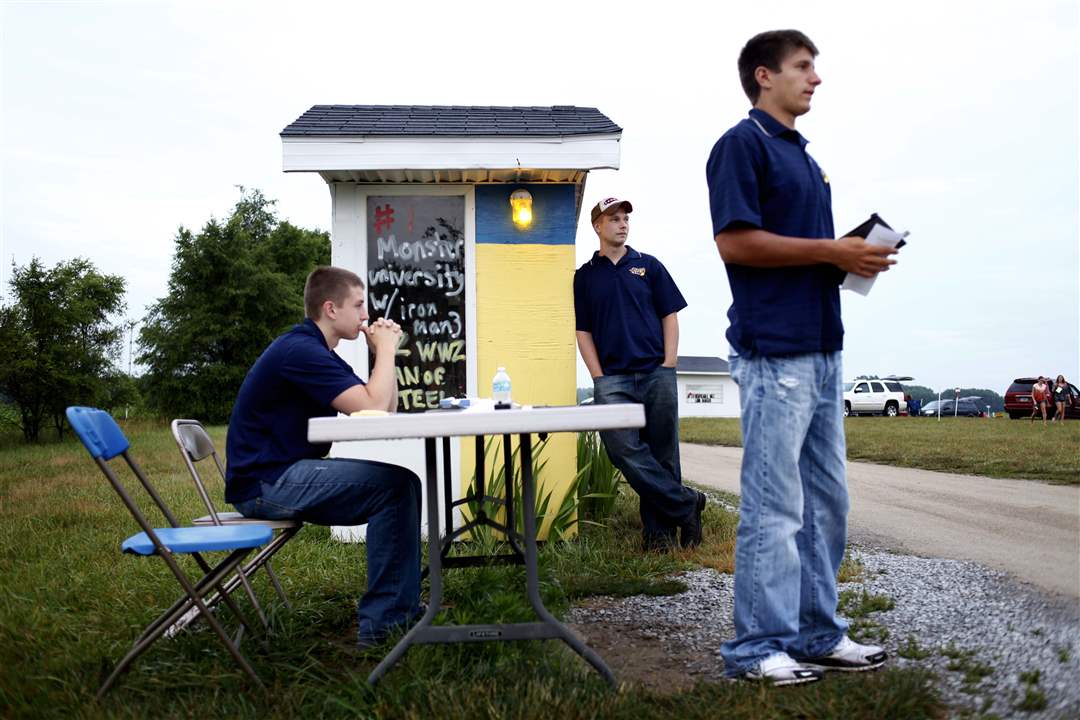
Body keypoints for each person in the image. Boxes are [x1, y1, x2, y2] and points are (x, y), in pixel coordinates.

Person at [705, 30, 896, 685]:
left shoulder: (805, 159)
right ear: (765, 75)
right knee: (775, 507)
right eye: (803, 67)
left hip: (822, 350)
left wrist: (851, 253)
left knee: (827, 505)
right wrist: (831, 252)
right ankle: (756, 648)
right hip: (774, 355)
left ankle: (817, 634)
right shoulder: (741, 146)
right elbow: (736, 243)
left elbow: (803, 249)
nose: (816, 78)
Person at [225, 265, 422, 647]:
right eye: (359, 305)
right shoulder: (300, 351)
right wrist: (385, 349)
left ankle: (399, 613)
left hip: (278, 474)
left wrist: (385, 357)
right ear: (331, 309)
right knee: (395, 489)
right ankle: (385, 628)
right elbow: (375, 405)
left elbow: (384, 408)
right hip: (267, 483)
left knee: (402, 484)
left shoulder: (316, 351)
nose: (366, 315)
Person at [573, 196, 706, 552]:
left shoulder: (649, 266)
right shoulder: (585, 277)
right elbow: (583, 331)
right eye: (613, 218)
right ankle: (687, 504)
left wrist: (669, 363)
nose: (622, 224)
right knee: (622, 450)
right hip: (612, 379)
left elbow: (670, 315)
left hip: (655, 372)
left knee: (663, 453)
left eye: (625, 218)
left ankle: (660, 537)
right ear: (597, 226)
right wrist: (598, 376)